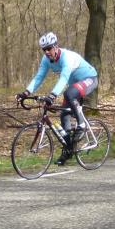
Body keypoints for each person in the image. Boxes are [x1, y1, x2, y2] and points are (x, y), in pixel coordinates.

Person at [17, 32, 98, 165]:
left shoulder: (66, 57)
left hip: (89, 78)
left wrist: (52, 95)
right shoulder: (46, 60)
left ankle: (82, 125)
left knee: (69, 94)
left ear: (56, 46)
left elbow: (64, 78)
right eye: (44, 49)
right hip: (75, 85)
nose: (47, 52)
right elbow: (39, 77)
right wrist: (26, 92)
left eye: (49, 48)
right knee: (64, 114)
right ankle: (68, 150)